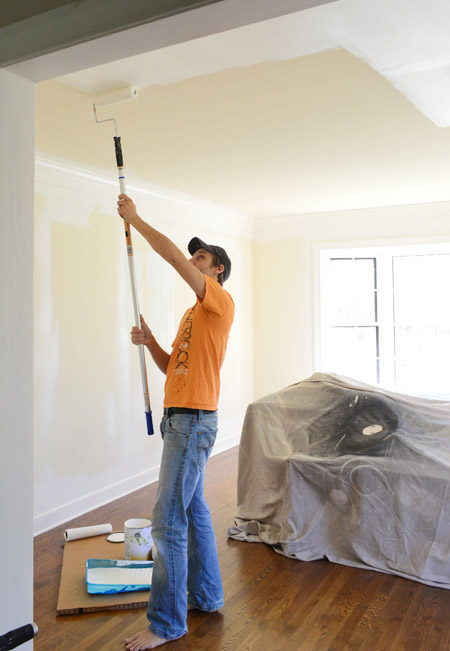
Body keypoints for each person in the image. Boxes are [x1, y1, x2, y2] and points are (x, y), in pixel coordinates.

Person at [117, 194, 234, 650]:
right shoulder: (193, 314)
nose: (192, 259)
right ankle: (206, 596)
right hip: (180, 420)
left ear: (217, 269)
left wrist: (136, 220)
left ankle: (166, 624)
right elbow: (173, 369)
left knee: (166, 520)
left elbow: (167, 255)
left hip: (192, 424)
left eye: (200, 257)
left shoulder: (217, 301)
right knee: (192, 510)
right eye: (193, 255)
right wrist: (149, 342)